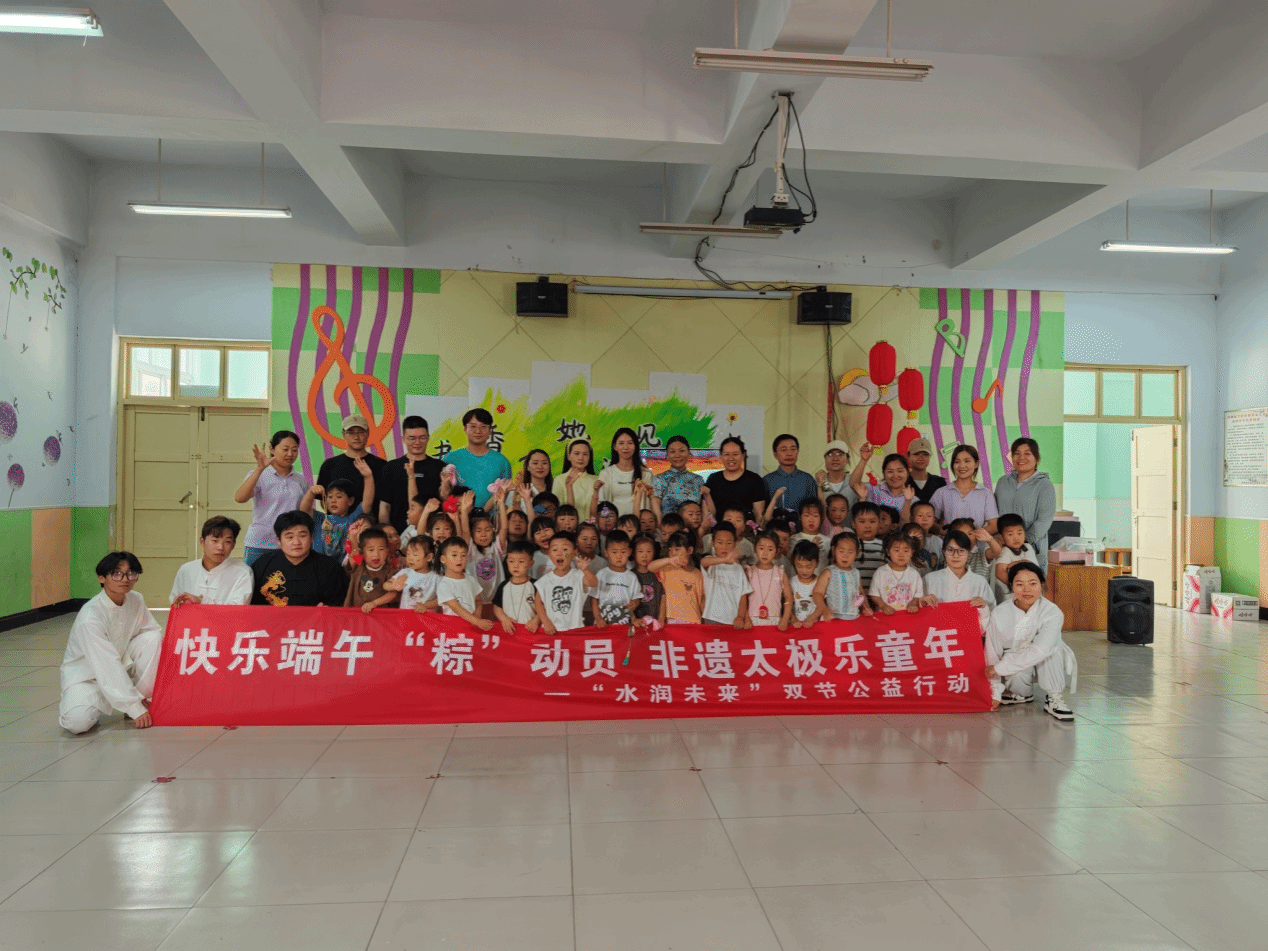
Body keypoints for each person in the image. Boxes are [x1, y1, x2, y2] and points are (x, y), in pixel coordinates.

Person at [58, 552, 162, 734]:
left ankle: (141, 697)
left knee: (153, 638)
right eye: (117, 573)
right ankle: (121, 701)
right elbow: (105, 663)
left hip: (120, 665)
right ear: (101, 578)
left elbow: (150, 632)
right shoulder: (90, 617)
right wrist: (132, 705)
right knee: (78, 723)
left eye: (131, 573)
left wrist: (134, 701)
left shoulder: (135, 599)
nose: (125, 579)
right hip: (87, 677)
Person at [985, 561, 1076, 720]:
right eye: (1019, 584)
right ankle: (1021, 694)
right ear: (1011, 586)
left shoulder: (1052, 612)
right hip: (1015, 658)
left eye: (1033, 584)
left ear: (1042, 585)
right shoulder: (999, 613)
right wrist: (995, 692)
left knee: (1052, 651)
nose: (1027, 590)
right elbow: (992, 652)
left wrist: (1000, 668)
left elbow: (1042, 649)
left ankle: (1054, 698)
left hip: (1046, 658)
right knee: (1015, 670)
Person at [234, 430, 309, 565]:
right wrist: (259, 469)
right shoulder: (260, 475)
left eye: (294, 450)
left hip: (289, 544)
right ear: (272, 449)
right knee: (254, 578)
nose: (290, 454)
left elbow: (304, 511)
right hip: (260, 543)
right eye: (285, 449)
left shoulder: (300, 480)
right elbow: (240, 498)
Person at [251, 510, 348, 606]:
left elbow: (339, 604)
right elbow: (252, 604)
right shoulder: (262, 565)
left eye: (302, 536)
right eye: (290, 537)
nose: (296, 542)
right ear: (278, 540)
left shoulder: (330, 567)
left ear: (311, 537)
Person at [379, 416, 446, 534]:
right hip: (398, 535)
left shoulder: (440, 467)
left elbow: (445, 502)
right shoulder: (391, 467)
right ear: (403, 439)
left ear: (428, 438)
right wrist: (387, 534)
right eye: (412, 438)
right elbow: (385, 506)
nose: (417, 442)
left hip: (432, 536)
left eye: (422, 437)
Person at [170, 516, 253, 606]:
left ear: (233, 545)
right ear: (202, 542)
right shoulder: (186, 570)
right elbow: (175, 603)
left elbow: (238, 609)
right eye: (215, 541)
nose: (220, 547)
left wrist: (201, 601)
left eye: (227, 542)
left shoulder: (243, 573)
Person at [301, 458, 375, 558]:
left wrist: (368, 477)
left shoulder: (352, 520)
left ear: (350, 501)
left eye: (339, 496)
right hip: (319, 564)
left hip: (342, 566)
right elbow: (304, 510)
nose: (333, 501)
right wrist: (311, 492)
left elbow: (367, 503)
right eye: (330, 496)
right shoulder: (321, 519)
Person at [924, 529, 995, 632]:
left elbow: (992, 619)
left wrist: (983, 608)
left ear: (968, 553)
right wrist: (923, 603)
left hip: (970, 637)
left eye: (961, 551)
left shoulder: (980, 582)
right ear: (943, 552)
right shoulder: (929, 579)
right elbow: (919, 616)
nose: (956, 555)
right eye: (950, 550)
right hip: (939, 637)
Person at [994, 437, 1056, 553]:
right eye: (1017, 453)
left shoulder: (1044, 485)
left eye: (1027, 453)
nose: (1021, 458)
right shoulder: (1002, 482)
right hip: (1002, 548)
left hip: (1030, 550)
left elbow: (1044, 521)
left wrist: (1023, 543)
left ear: (1037, 458)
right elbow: (994, 514)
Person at [444, 408, 512, 509]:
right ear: (465, 429)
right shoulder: (450, 459)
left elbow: (503, 494)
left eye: (483, 427)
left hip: (490, 517)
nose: (478, 431)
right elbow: (444, 492)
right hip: (457, 516)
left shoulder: (501, 461)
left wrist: (483, 513)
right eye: (473, 426)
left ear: (490, 430)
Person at [316, 414, 387, 507]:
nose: (356, 437)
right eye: (351, 432)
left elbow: (387, 502)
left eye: (360, 432)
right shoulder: (329, 465)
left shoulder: (382, 465)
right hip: (337, 517)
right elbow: (323, 500)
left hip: (371, 516)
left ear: (368, 433)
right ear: (344, 434)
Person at [534, 532, 598, 634]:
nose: (559, 553)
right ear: (550, 555)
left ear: (573, 554)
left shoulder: (579, 576)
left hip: (575, 631)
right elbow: (538, 603)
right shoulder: (544, 580)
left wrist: (585, 570)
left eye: (565, 550)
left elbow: (593, 583)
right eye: (555, 550)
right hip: (551, 631)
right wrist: (546, 622)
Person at [931, 444, 999, 534]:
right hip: (949, 542)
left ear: (976, 464)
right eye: (957, 462)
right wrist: (945, 532)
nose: (962, 466)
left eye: (967, 461)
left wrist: (972, 536)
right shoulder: (942, 492)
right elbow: (930, 522)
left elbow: (994, 525)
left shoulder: (985, 493)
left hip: (977, 543)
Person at [704, 436, 769, 525]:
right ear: (721, 456)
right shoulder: (713, 479)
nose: (731, 458)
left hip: (746, 531)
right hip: (720, 530)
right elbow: (710, 514)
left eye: (735, 454)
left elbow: (759, 516)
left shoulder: (754, 480)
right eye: (726, 454)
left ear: (743, 455)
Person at [436, 536, 493, 630]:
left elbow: (478, 601)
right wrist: (476, 621)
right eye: (454, 555)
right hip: (452, 629)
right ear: (443, 559)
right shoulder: (444, 585)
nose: (459, 559)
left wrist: (477, 616)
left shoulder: (471, 579)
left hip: (471, 628)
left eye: (463, 555)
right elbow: (457, 609)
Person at [701, 523, 751, 628]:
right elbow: (703, 562)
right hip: (712, 617)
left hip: (733, 619)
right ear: (713, 543)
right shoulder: (711, 563)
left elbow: (743, 596)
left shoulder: (738, 569)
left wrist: (741, 617)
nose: (724, 547)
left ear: (735, 544)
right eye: (720, 542)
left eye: (729, 543)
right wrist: (725, 560)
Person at [596, 427, 653, 517]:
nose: (625, 447)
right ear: (615, 446)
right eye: (621, 443)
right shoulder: (606, 474)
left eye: (630, 443)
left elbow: (650, 504)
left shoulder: (646, 474)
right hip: (614, 524)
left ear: (635, 446)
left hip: (638, 523)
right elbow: (601, 503)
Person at [590, 530, 642, 626]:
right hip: (603, 625)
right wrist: (598, 618)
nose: (619, 556)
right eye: (614, 552)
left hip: (625, 626)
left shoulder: (632, 577)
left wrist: (635, 604)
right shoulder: (601, 574)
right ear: (606, 552)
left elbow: (636, 598)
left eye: (623, 552)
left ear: (629, 552)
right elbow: (594, 599)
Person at [813, 533, 869, 621]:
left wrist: (866, 607)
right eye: (841, 551)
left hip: (854, 618)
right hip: (833, 619)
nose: (845, 556)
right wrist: (823, 608)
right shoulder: (828, 572)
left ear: (857, 553)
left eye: (850, 552)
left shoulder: (856, 573)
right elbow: (817, 593)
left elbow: (861, 593)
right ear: (833, 550)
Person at [851, 446, 915, 524]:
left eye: (900, 471)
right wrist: (863, 460)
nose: (895, 475)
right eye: (890, 471)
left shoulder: (913, 499)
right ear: (883, 473)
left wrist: (908, 501)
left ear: (907, 473)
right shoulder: (874, 490)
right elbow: (854, 485)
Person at [869, 533, 928, 614]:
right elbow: (874, 594)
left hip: (907, 615)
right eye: (896, 550)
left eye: (906, 551)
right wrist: (883, 606)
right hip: (885, 615)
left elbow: (918, 594)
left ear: (912, 552)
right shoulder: (880, 572)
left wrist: (913, 604)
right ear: (888, 552)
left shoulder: (914, 574)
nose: (901, 555)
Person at [344, 528, 400, 613]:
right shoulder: (359, 566)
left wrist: (374, 603)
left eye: (381, 549)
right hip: (355, 616)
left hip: (380, 617)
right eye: (371, 550)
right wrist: (353, 536)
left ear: (387, 550)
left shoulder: (390, 572)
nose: (376, 555)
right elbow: (355, 553)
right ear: (362, 551)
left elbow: (393, 593)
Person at [747, 530, 794, 628]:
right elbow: (743, 598)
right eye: (761, 548)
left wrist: (785, 618)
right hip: (751, 622)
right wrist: (746, 618)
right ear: (755, 549)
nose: (765, 553)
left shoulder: (780, 573)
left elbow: (788, 597)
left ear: (776, 551)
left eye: (770, 549)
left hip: (775, 621)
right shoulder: (749, 572)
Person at [656, 531, 705, 624]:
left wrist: (703, 621)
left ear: (689, 550)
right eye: (670, 550)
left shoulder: (697, 573)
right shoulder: (668, 569)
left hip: (694, 620)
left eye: (677, 549)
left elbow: (701, 599)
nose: (673, 553)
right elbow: (651, 567)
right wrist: (668, 561)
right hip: (672, 619)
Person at [652, 434, 705, 518]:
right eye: (672, 452)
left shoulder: (698, 480)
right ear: (667, 455)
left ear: (689, 452)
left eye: (682, 451)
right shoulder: (659, 479)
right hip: (669, 525)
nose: (677, 455)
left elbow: (703, 510)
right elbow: (656, 510)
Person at [764, 433, 819, 513]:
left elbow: (814, 509)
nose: (789, 454)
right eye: (784, 450)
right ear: (775, 455)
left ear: (798, 452)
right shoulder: (766, 481)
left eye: (793, 449)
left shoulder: (808, 479)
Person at [492, 540, 540, 632]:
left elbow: (544, 607)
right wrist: (504, 619)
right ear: (507, 562)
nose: (516, 565)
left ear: (531, 563)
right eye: (511, 561)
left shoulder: (537, 585)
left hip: (531, 631)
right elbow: (497, 607)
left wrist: (536, 620)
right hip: (509, 631)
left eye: (521, 561)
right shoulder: (503, 586)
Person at [993, 512, 1041, 601]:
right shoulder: (1004, 551)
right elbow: (1000, 573)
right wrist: (1016, 588)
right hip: (1008, 597)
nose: (1016, 538)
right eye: (1010, 534)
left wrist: (1016, 563)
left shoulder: (1027, 547)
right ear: (1001, 537)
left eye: (1019, 533)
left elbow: (1032, 566)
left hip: (1027, 593)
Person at [385, 535, 439, 613]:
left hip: (426, 619)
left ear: (429, 557)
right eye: (408, 554)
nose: (410, 558)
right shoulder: (405, 572)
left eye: (415, 555)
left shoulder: (436, 577)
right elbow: (385, 585)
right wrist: (393, 586)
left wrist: (426, 605)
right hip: (405, 617)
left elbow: (442, 599)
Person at [561, 438, 600, 523]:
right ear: (568, 456)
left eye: (585, 454)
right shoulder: (560, 480)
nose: (581, 458)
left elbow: (599, 511)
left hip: (592, 528)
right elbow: (558, 511)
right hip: (569, 528)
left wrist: (592, 524)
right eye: (576, 453)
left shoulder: (596, 480)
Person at [632, 534, 666, 628]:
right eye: (640, 551)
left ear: (654, 553)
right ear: (634, 553)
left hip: (656, 623)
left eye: (649, 551)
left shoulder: (658, 574)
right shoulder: (630, 575)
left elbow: (663, 596)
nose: (644, 555)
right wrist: (633, 619)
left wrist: (661, 618)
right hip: (637, 623)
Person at [851, 501, 886, 592]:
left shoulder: (885, 546)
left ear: (879, 523)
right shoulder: (849, 545)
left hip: (878, 596)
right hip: (854, 596)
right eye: (862, 521)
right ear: (853, 523)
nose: (867, 526)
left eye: (872, 521)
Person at [816, 440, 858, 512]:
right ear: (825, 459)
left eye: (840, 454)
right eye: (830, 454)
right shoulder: (817, 481)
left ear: (847, 459)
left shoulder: (854, 480)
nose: (835, 458)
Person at [788, 540, 822, 627]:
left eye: (808, 567)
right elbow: (787, 603)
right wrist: (793, 618)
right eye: (799, 566)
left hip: (815, 625)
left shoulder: (820, 582)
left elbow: (822, 605)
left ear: (817, 564)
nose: (804, 571)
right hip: (796, 625)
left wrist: (812, 618)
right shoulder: (792, 582)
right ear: (794, 563)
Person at [904, 437, 947, 505]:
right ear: (908, 456)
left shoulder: (940, 483)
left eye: (925, 454)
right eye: (916, 454)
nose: (921, 458)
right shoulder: (902, 482)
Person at [790, 498, 830, 570]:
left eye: (815, 516)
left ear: (821, 518)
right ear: (800, 516)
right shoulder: (793, 539)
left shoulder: (828, 541)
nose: (811, 520)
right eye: (807, 516)